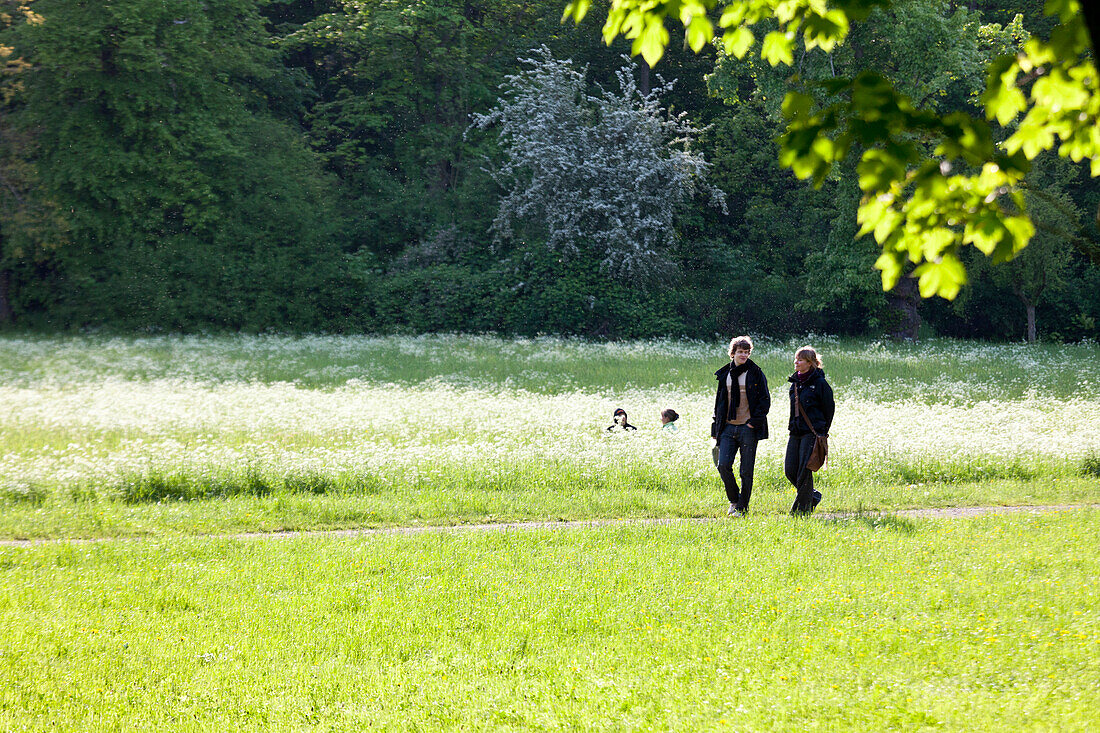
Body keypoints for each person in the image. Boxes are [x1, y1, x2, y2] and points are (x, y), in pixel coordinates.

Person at [712, 336, 770, 516]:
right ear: (733, 353)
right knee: (723, 465)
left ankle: (742, 508)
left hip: (748, 428)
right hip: (728, 428)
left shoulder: (755, 373)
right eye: (740, 352)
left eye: (746, 352)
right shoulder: (724, 374)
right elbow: (719, 403)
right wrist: (716, 429)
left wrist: (754, 423)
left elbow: (765, 400)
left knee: (746, 471)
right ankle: (734, 500)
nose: (743, 355)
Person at [785, 345, 835, 515]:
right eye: (796, 358)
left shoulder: (820, 383)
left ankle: (800, 512)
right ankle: (812, 497)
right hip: (796, 432)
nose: (796, 362)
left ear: (810, 363)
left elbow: (829, 408)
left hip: (812, 433)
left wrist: (822, 431)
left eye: (800, 359)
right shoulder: (795, 383)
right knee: (790, 470)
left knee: (803, 471)